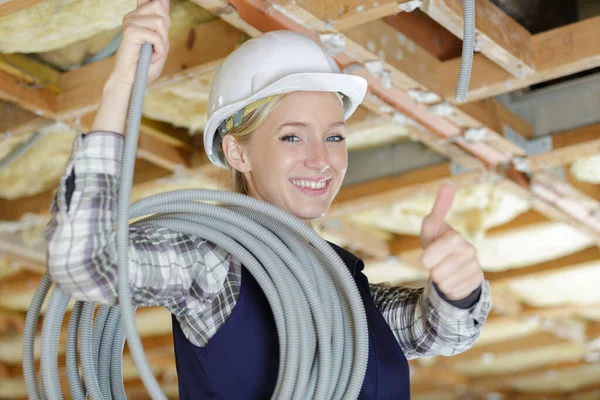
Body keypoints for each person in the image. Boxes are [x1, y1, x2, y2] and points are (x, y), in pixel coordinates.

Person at [45, 0, 491, 398]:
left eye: (333, 136)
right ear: (238, 152)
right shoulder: (215, 271)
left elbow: (440, 331)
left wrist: (459, 288)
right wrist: (122, 80)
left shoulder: (350, 294)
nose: (321, 160)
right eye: (292, 136)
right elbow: (83, 259)